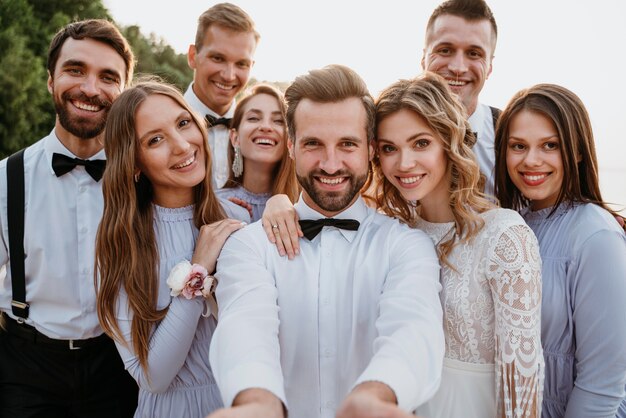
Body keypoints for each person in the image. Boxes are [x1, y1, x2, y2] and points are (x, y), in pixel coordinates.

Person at [207, 65, 444, 418]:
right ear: (291, 146)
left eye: (347, 144)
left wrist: (377, 395)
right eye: (313, 144)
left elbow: (412, 328)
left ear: (371, 149)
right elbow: (245, 326)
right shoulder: (250, 246)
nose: (331, 165)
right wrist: (257, 401)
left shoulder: (407, 246)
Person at [371, 73, 543, 417]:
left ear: (449, 143)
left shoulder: (504, 235)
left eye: (421, 143)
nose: (404, 164)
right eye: (389, 148)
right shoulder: (396, 232)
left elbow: (522, 380)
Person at [0, 19, 138, 417]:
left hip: (119, 364)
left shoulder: (142, 179)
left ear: (123, 92)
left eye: (108, 77)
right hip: (26, 367)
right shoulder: (7, 179)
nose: (91, 89)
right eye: (75, 70)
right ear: (50, 80)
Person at [96, 80, 249, 418]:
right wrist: (198, 271)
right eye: (155, 140)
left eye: (183, 123)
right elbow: (153, 377)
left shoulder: (238, 219)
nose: (182, 145)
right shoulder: (122, 245)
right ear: (134, 163)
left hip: (243, 406)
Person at [494, 83, 626, 417]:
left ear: (577, 150)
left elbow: (602, 385)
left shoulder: (597, 236)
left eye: (550, 145)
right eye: (518, 146)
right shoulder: (512, 225)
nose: (531, 160)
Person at [422, 0, 499, 196]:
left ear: (489, 66)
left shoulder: (509, 136)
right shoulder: (385, 129)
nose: (458, 68)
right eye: (445, 50)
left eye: (474, 53)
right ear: (424, 58)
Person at [185, 2, 259, 189]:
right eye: (218, 58)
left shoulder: (261, 132)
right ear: (193, 56)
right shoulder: (156, 125)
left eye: (242, 64)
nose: (229, 75)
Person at [217, 83, 299, 222]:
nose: (266, 127)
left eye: (279, 121)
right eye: (253, 118)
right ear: (235, 138)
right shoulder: (213, 205)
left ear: (290, 139)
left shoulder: (303, 207)